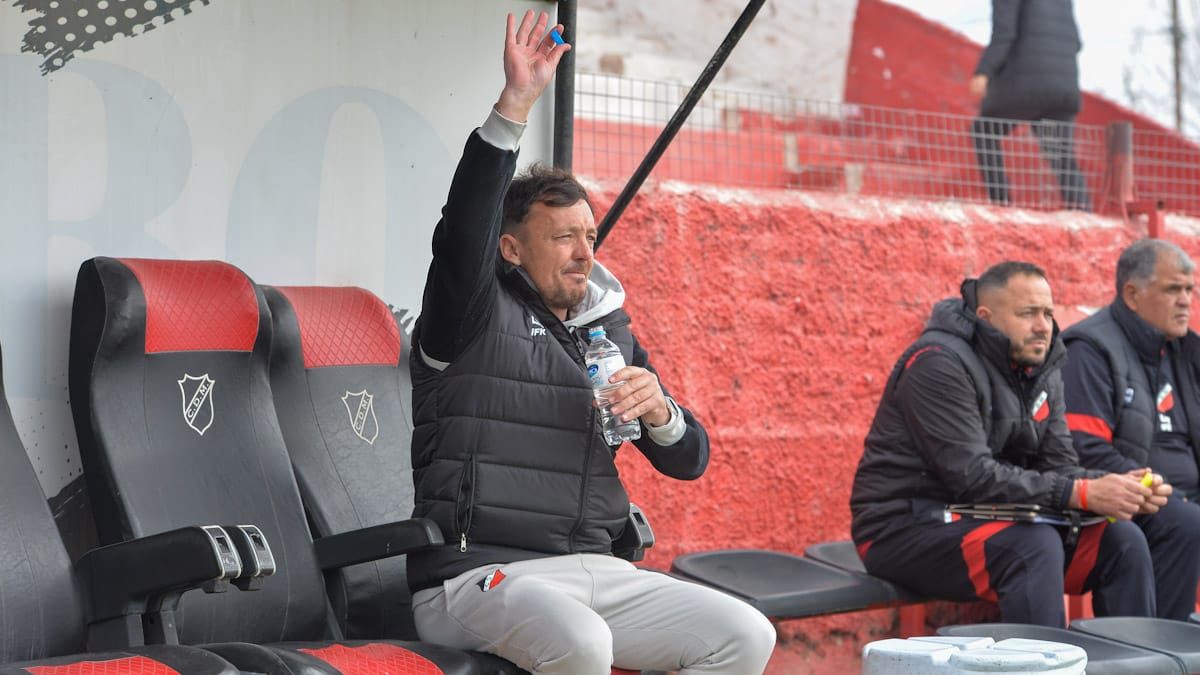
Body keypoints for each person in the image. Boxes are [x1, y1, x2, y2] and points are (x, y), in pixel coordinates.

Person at [405, 10, 776, 675]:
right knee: (582, 643)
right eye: (564, 238)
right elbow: (463, 231)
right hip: (475, 576)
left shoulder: (610, 328)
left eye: (590, 237)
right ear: (512, 248)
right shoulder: (470, 310)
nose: (584, 254)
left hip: (597, 567)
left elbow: (690, 460)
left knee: (745, 634)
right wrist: (516, 104)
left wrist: (660, 415)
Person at [850, 261, 1167, 626]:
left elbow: (1059, 466)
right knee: (1031, 549)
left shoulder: (1042, 366)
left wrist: (1120, 486)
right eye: (1027, 313)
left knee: (1122, 540)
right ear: (986, 316)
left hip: (989, 517)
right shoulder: (937, 363)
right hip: (903, 529)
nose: (1042, 326)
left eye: (1047, 313)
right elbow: (970, 476)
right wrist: (1080, 493)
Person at [1061, 238, 1200, 621]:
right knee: (1184, 523)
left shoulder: (1187, 351)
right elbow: (1081, 448)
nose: (1186, 300)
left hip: (1184, 496)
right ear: (1133, 294)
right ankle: (1162, 652)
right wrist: (1152, 484)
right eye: (1173, 289)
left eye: (1189, 289)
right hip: (1122, 499)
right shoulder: (1089, 348)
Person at [969, 0, 1091, 210]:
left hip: (1026, 85)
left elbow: (1004, 35)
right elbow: (1077, 42)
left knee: (984, 130)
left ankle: (1000, 202)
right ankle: (1082, 210)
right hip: (1064, 86)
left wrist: (984, 71)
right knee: (1060, 153)